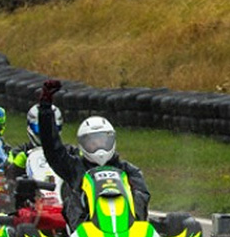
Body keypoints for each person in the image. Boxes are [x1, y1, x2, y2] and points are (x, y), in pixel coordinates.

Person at [35, 79, 150, 228]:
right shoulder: (74, 168)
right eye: (93, 143)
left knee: (138, 193)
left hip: (128, 228)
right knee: (72, 197)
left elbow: (143, 196)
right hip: (85, 229)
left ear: (112, 141)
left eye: (102, 141)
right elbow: (52, 148)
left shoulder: (128, 170)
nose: (99, 147)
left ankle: (129, 227)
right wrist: (45, 109)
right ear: (83, 145)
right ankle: (85, 226)